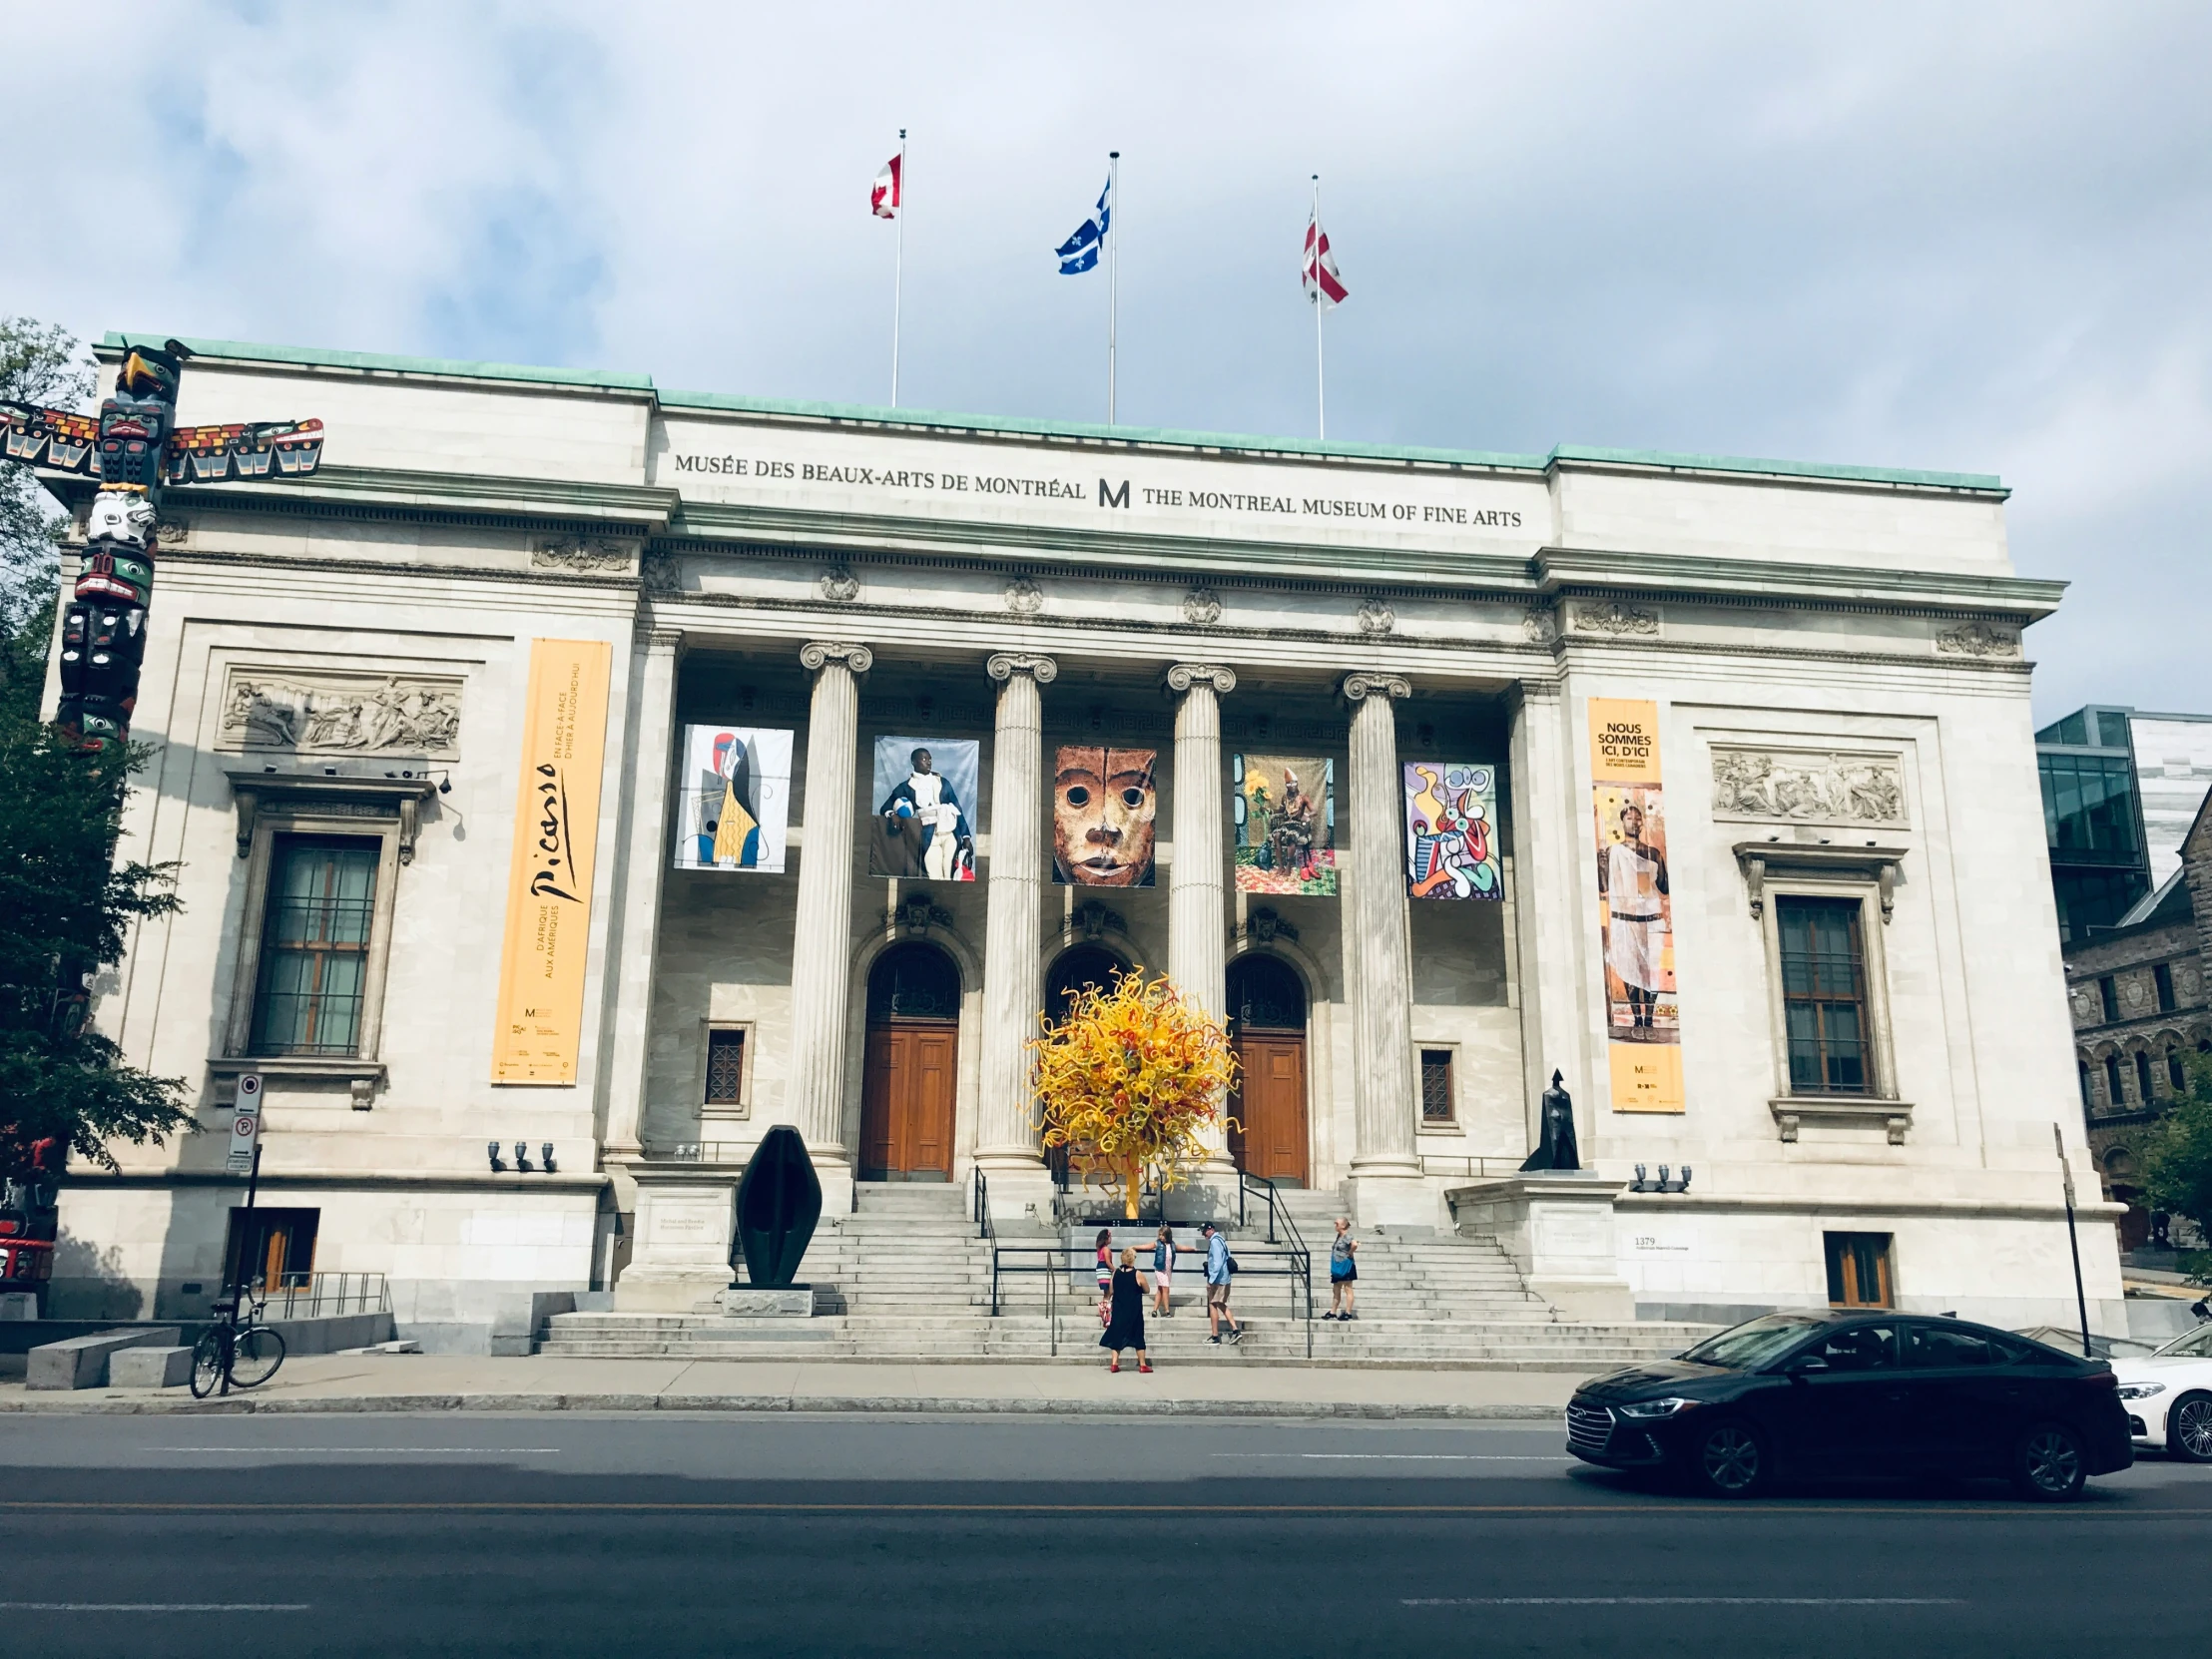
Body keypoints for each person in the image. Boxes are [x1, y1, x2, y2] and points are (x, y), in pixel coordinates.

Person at [1596, 801, 1670, 1031]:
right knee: (1629, 969)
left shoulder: (1652, 853)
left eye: (1638, 818)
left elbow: (1665, 886)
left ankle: (1649, 1018)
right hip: (1624, 919)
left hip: (1650, 920)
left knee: (1651, 970)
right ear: (1622, 822)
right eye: (1630, 818)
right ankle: (1637, 1018)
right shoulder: (1613, 852)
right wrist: (1601, 865)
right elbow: (1603, 886)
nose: (1635, 822)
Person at [1100, 1247, 1152, 1374]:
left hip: (1119, 1309)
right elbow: (1147, 1289)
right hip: (1133, 1311)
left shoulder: (1116, 1273)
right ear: (1132, 1259)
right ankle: (1143, 1364)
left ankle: (1114, 1363)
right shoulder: (1137, 1273)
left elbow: (1111, 1291)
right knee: (1138, 1336)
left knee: (1117, 1335)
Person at [1200, 1221, 1242, 1345]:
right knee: (1219, 1304)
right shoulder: (1221, 1239)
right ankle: (1232, 1331)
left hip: (1218, 1279)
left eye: (1204, 1231)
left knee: (1214, 1305)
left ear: (1210, 1229)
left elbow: (1217, 1262)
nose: (1203, 1234)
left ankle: (1218, 1335)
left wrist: (1211, 1281)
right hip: (1224, 1277)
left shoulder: (1214, 1242)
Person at [1325, 1217, 1359, 1320]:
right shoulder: (1339, 1236)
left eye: (1337, 1224)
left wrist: (1350, 1253)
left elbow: (1355, 1244)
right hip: (1337, 1266)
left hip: (1346, 1266)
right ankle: (1333, 1311)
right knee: (1336, 1289)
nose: (1335, 1225)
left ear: (1343, 1225)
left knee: (1348, 1288)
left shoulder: (1347, 1236)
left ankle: (1348, 1312)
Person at [1151, 1225, 1176, 1318]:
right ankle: (1167, 1311)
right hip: (1160, 1269)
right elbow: (1147, 1246)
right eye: (1160, 1235)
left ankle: (1154, 1310)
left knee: (1160, 1290)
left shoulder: (1172, 1244)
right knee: (1166, 1288)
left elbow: (1181, 1247)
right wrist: (1134, 1247)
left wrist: (1192, 1249)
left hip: (1168, 1270)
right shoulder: (1157, 1243)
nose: (1161, 1237)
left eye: (1163, 1235)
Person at [1094, 1227, 1114, 1327]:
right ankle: (1105, 1311)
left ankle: (1105, 1309)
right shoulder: (1106, 1249)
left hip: (1101, 1269)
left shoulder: (1100, 1249)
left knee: (1107, 1292)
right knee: (1109, 1291)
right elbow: (1108, 1262)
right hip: (1105, 1269)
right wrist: (1115, 1269)